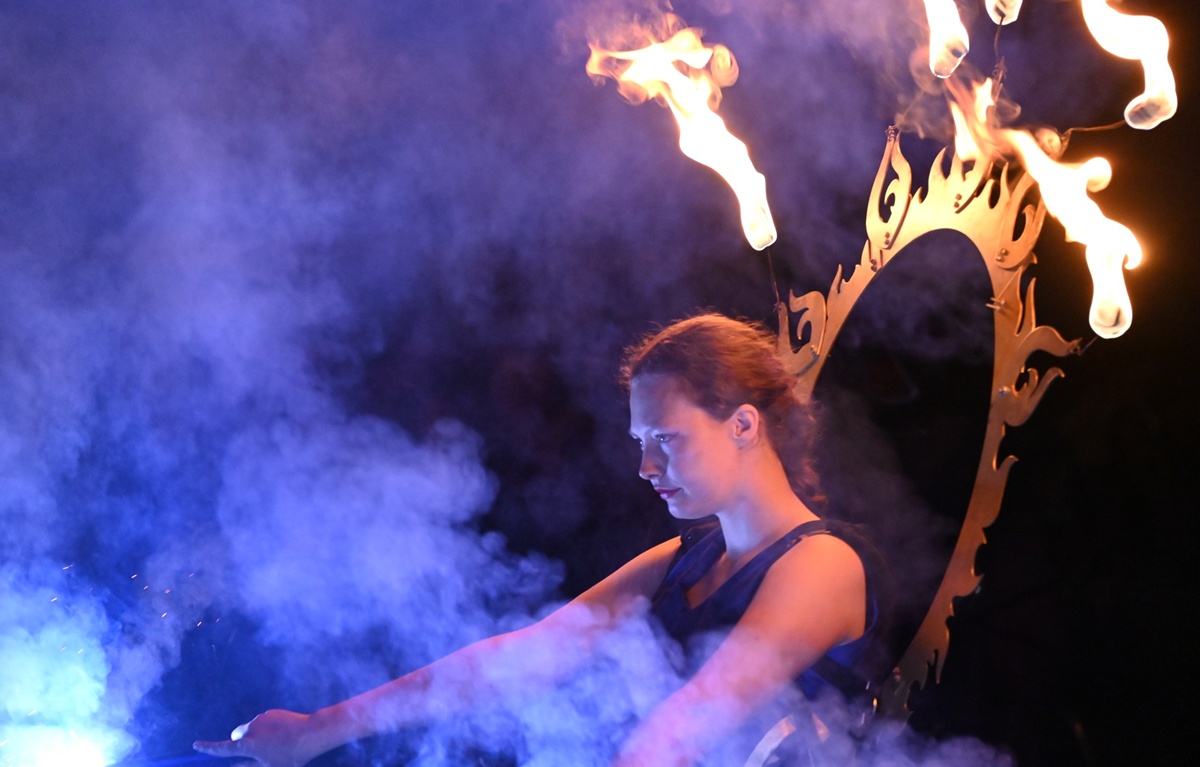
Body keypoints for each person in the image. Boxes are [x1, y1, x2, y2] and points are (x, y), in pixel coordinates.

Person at [195, 313, 883, 767]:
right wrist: (317, 729)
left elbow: (682, 730)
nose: (645, 466)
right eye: (640, 442)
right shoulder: (683, 560)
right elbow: (522, 656)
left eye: (666, 439)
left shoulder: (822, 564)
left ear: (743, 424)